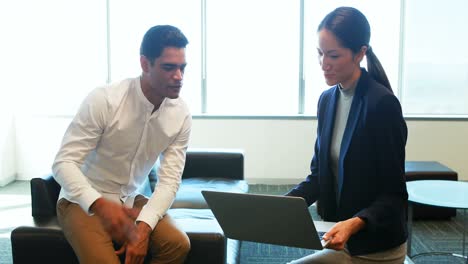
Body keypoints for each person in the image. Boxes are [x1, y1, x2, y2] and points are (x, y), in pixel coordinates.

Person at [52, 25, 192, 264]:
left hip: (130, 198)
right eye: (169, 67)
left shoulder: (180, 114)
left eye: (182, 68)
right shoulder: (105, 100)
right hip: (82, 200)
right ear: (145, 64)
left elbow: (169, 181)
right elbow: (63, 163)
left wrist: (143, 229)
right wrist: (101, 206)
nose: (178, 76)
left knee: (177, 244)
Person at [286, 7, 408, 264]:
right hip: (338, 239)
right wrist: (283, 206)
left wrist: (354, 224)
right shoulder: (327, 100)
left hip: (375, 247)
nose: (323, 64)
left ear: (360, 53)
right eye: (320, 53)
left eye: (333, 55)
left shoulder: (381, 104)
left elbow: (394, 195)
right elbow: (320, 176)